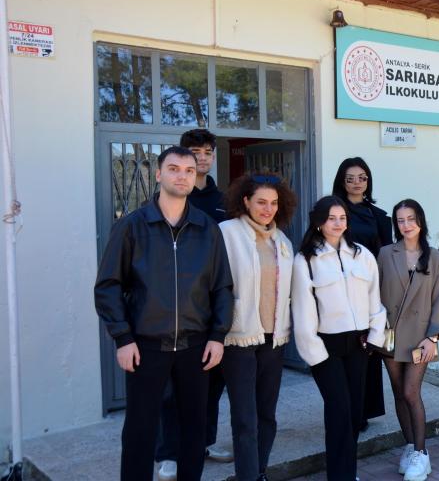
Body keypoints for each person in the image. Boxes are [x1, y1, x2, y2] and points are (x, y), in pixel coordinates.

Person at [94, 146, 234, 481]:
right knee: (140, 430)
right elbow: (108, 286)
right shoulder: (131, 227)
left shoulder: (207, 229)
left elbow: (222, 287)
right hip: (145, 347)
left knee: (193, 428)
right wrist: (123, 338)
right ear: (158, 174)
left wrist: (218, 336)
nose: (182, 176)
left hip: (195, 347)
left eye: (189, 170)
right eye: (173, 169)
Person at [291, 195, 387, 480]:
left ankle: (348, 471)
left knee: (355, 412)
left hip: (359, 344)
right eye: (331, 218)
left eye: (342, 218)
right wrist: (315, 353)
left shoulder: (362, 255)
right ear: (319, 222)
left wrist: (375, 335)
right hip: (326, 347)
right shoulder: (306, 260)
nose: (337, 223)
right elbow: (303, 312)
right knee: (339, 410)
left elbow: (375, 298)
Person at [157, 128, 230, 480]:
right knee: (171, 389)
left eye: (207, 152)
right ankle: (169, 452)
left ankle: (203, 443)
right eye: (195, 152)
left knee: (212, 382)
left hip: (212, 304)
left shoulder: (225, 200)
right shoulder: (172, 197)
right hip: (175, 307)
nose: (201, 158)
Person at [219, 173, 297, 481]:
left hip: (273, 339)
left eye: (274, 203)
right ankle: (248, 476)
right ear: (246, 201)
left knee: (267, 414)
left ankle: (259, 471)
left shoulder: (283, 241)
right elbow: (214, 284)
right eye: (261, 202)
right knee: (245, 418)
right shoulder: (226, 232)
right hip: (238, 338)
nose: (268, 209)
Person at [377, 199, 439, 481]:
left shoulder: (436, 258)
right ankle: (409, 446)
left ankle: (421, 452)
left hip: (421, 337)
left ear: (421, 220)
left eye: (411, 219)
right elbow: (375, 292)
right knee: (397, 392)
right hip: (390, 334)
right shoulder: (386, 253)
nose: (406, 225)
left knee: (410, 392)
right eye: (400, 220)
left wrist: (433, 337)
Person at [332, 157, 392, 430]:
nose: (357, 183)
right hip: (338, 291)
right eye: (350, 178)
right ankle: (344, 409)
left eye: (362, 178)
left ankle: (363, 411)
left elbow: (387, 255)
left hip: (370, 291)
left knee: (367, 349)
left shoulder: (379, 216)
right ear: (342, 181)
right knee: (342, 351)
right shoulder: (333, 211)